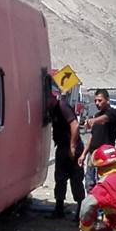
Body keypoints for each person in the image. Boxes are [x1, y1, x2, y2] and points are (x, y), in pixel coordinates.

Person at [47, 82, 83, 219]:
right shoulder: (52, 109)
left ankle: (80, 213)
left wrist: (72, 147)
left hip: (72, 148)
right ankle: (59, 209)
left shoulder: (62, 106)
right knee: (60, 179)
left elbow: (75, 125)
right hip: (62, 147)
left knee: (76, 179)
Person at [81, 89, 116, 192]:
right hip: (92, 154)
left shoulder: (112, 113)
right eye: (95, 101)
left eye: (100, 100)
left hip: (105, 155)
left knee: (103, 182)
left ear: (107, 100)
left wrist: (93, 121)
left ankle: (101, 207)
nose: (97, 103)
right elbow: (92, 136)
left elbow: (106, 118)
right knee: (89, 182)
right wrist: (83, 154)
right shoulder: (97, 115)